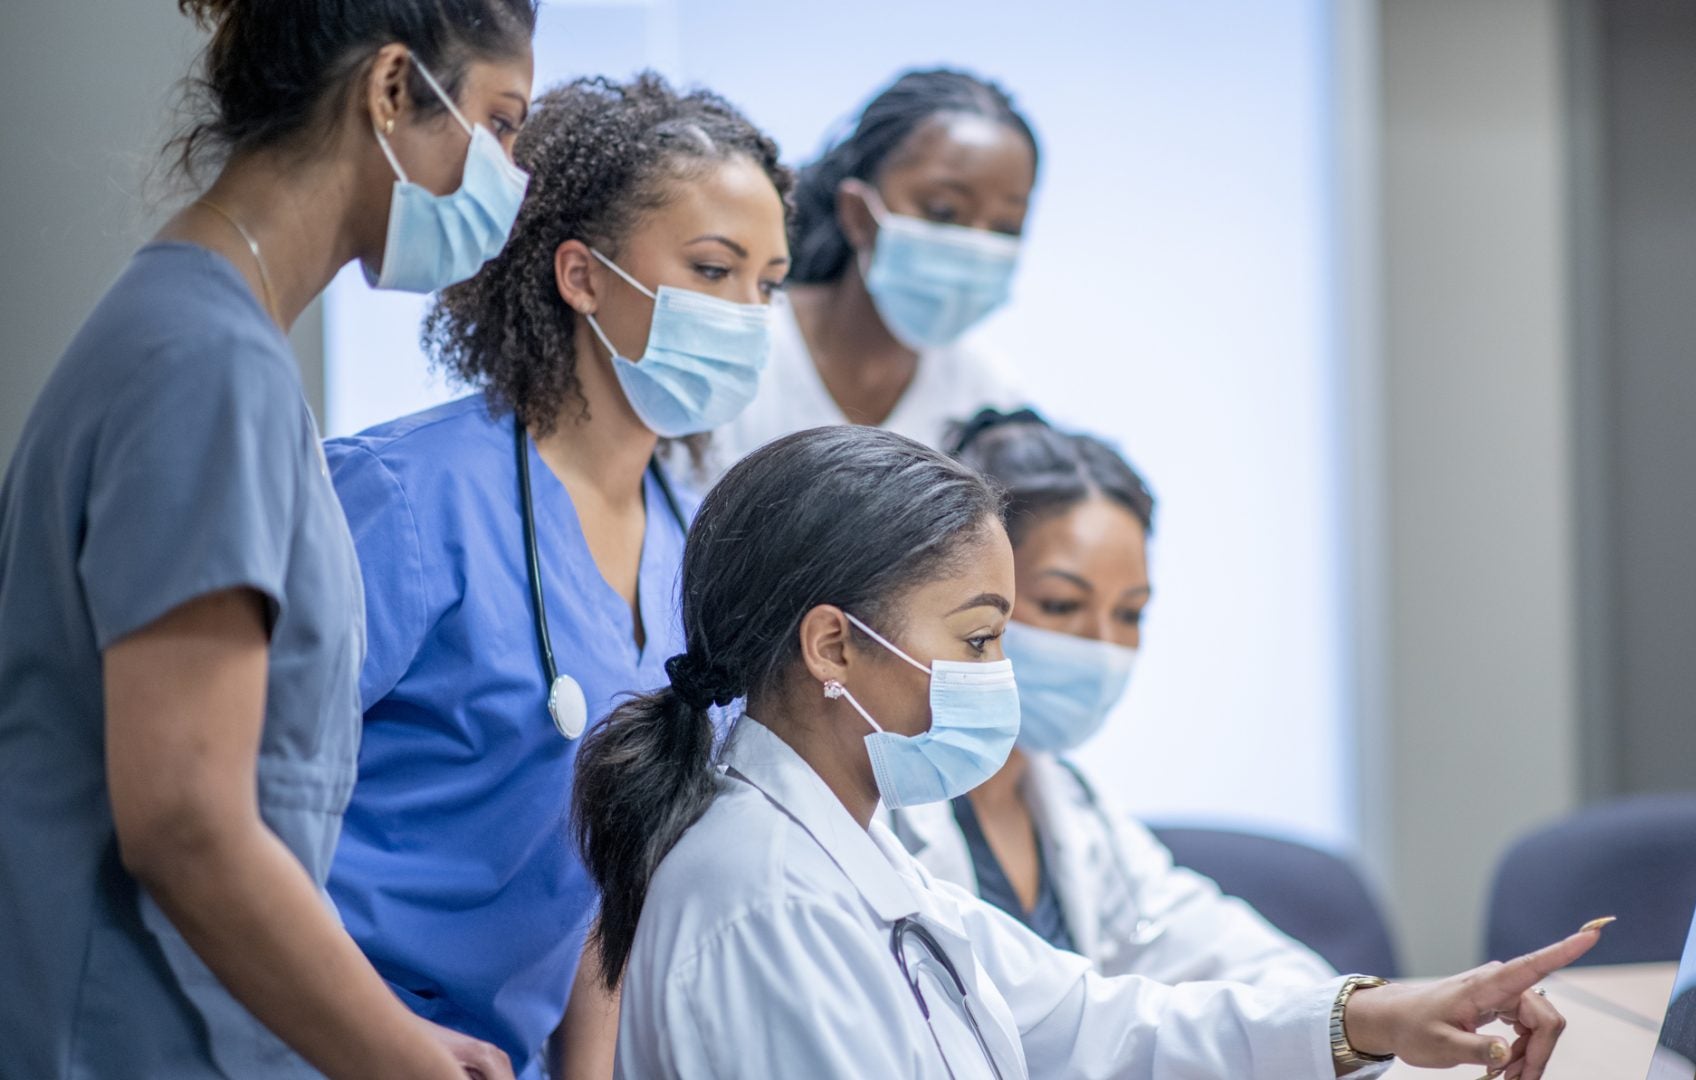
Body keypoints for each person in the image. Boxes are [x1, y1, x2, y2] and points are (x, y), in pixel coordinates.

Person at [573, 424, 1604, 1079]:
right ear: (833, 643)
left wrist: (1376, 1015)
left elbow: (1100, 1024)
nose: (1001, 670)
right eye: (979, 638)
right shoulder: (764, 903)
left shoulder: (848, 856)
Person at [0, 1, 534, 1076]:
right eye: (502, 121)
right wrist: (400, 1061)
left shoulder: (203, 331)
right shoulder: (205, 363)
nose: (512, 172)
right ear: (393, 91)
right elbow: (188, 820)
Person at [323, 74, 790, 1080]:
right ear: (581, 276)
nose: (748, 314)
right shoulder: (404, 496)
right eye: (713, 270)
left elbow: (614, 878)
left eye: (769, 282)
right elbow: (234, 815)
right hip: (315, 1038)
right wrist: (380, 1042)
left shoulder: (693, 551)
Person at [883, 407, 1337, 991]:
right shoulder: (883, 806)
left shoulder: (1076, 810)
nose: (1104, 647)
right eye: (1061, 605)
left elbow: (1246, 964)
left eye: (1130, 614)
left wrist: (1365, 1017)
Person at [681, 68, 1037, 488]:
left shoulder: (988, 395)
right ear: (857, 213)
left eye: (1005, 227)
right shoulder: (738, 354)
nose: (976, 245)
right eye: (943, 211)